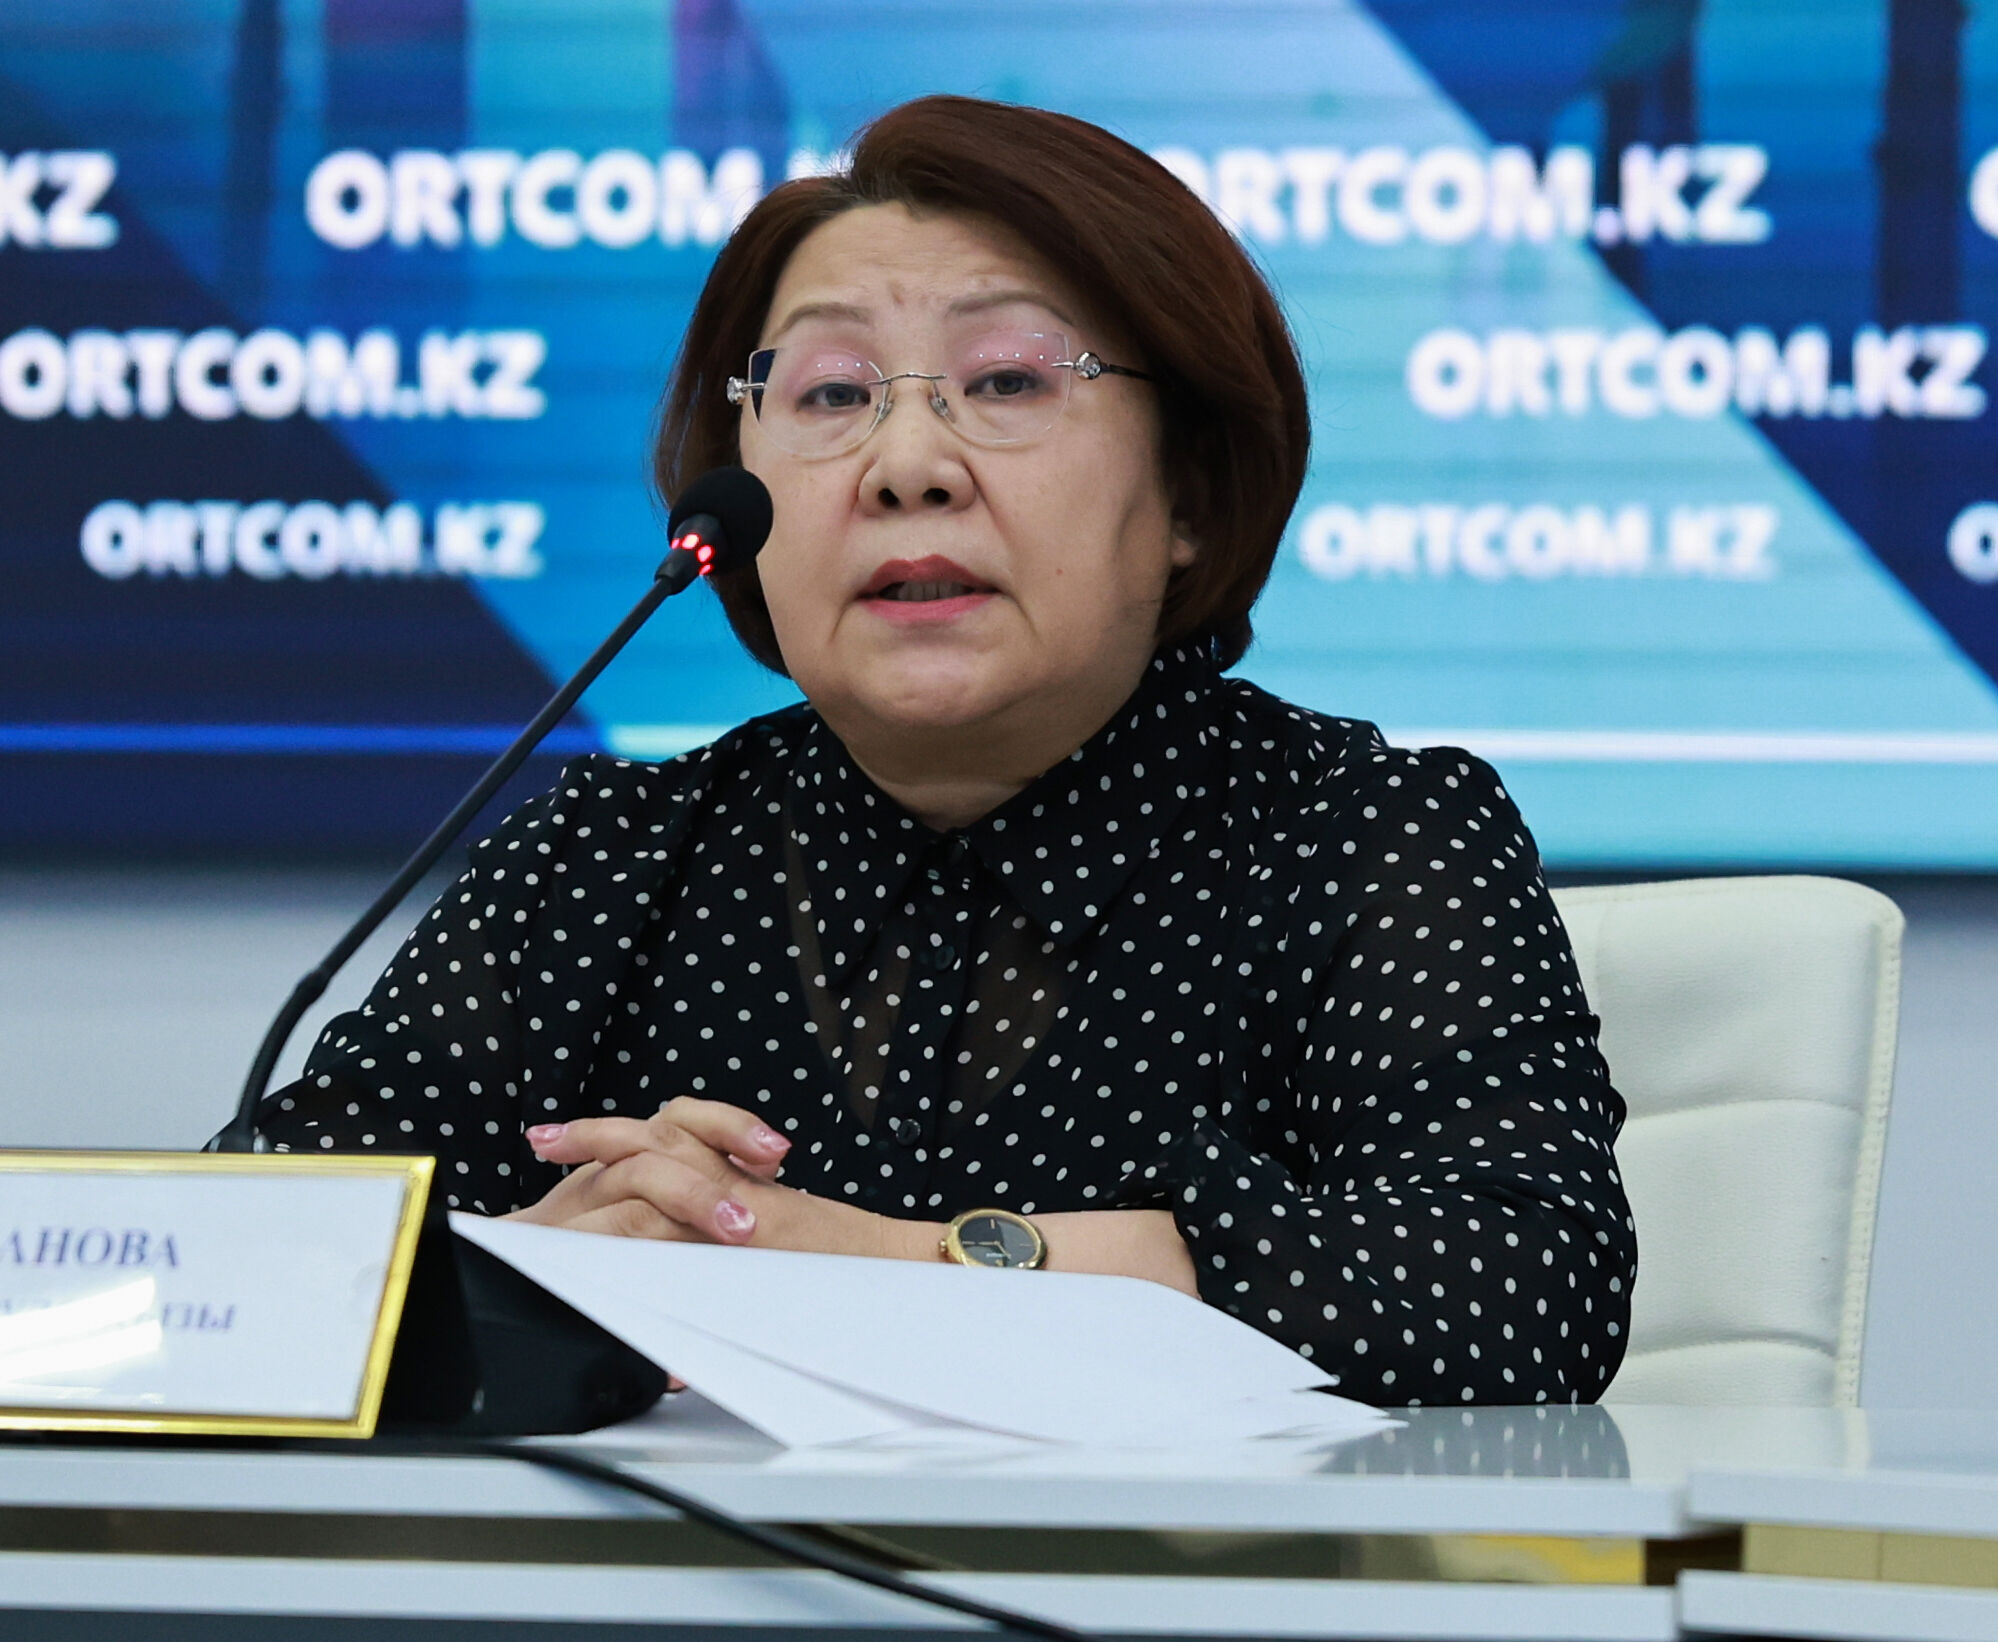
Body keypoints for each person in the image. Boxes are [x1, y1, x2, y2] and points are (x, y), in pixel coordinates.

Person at [252, 95, 1636, 1406]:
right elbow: (225, 1276)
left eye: (1009, 379)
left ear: (1190, 495)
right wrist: (518, 1275)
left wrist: (886, 1264)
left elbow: (1521, 1291)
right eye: (828, 394)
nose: (905, 463)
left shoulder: (1366, 833)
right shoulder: (605, 856)